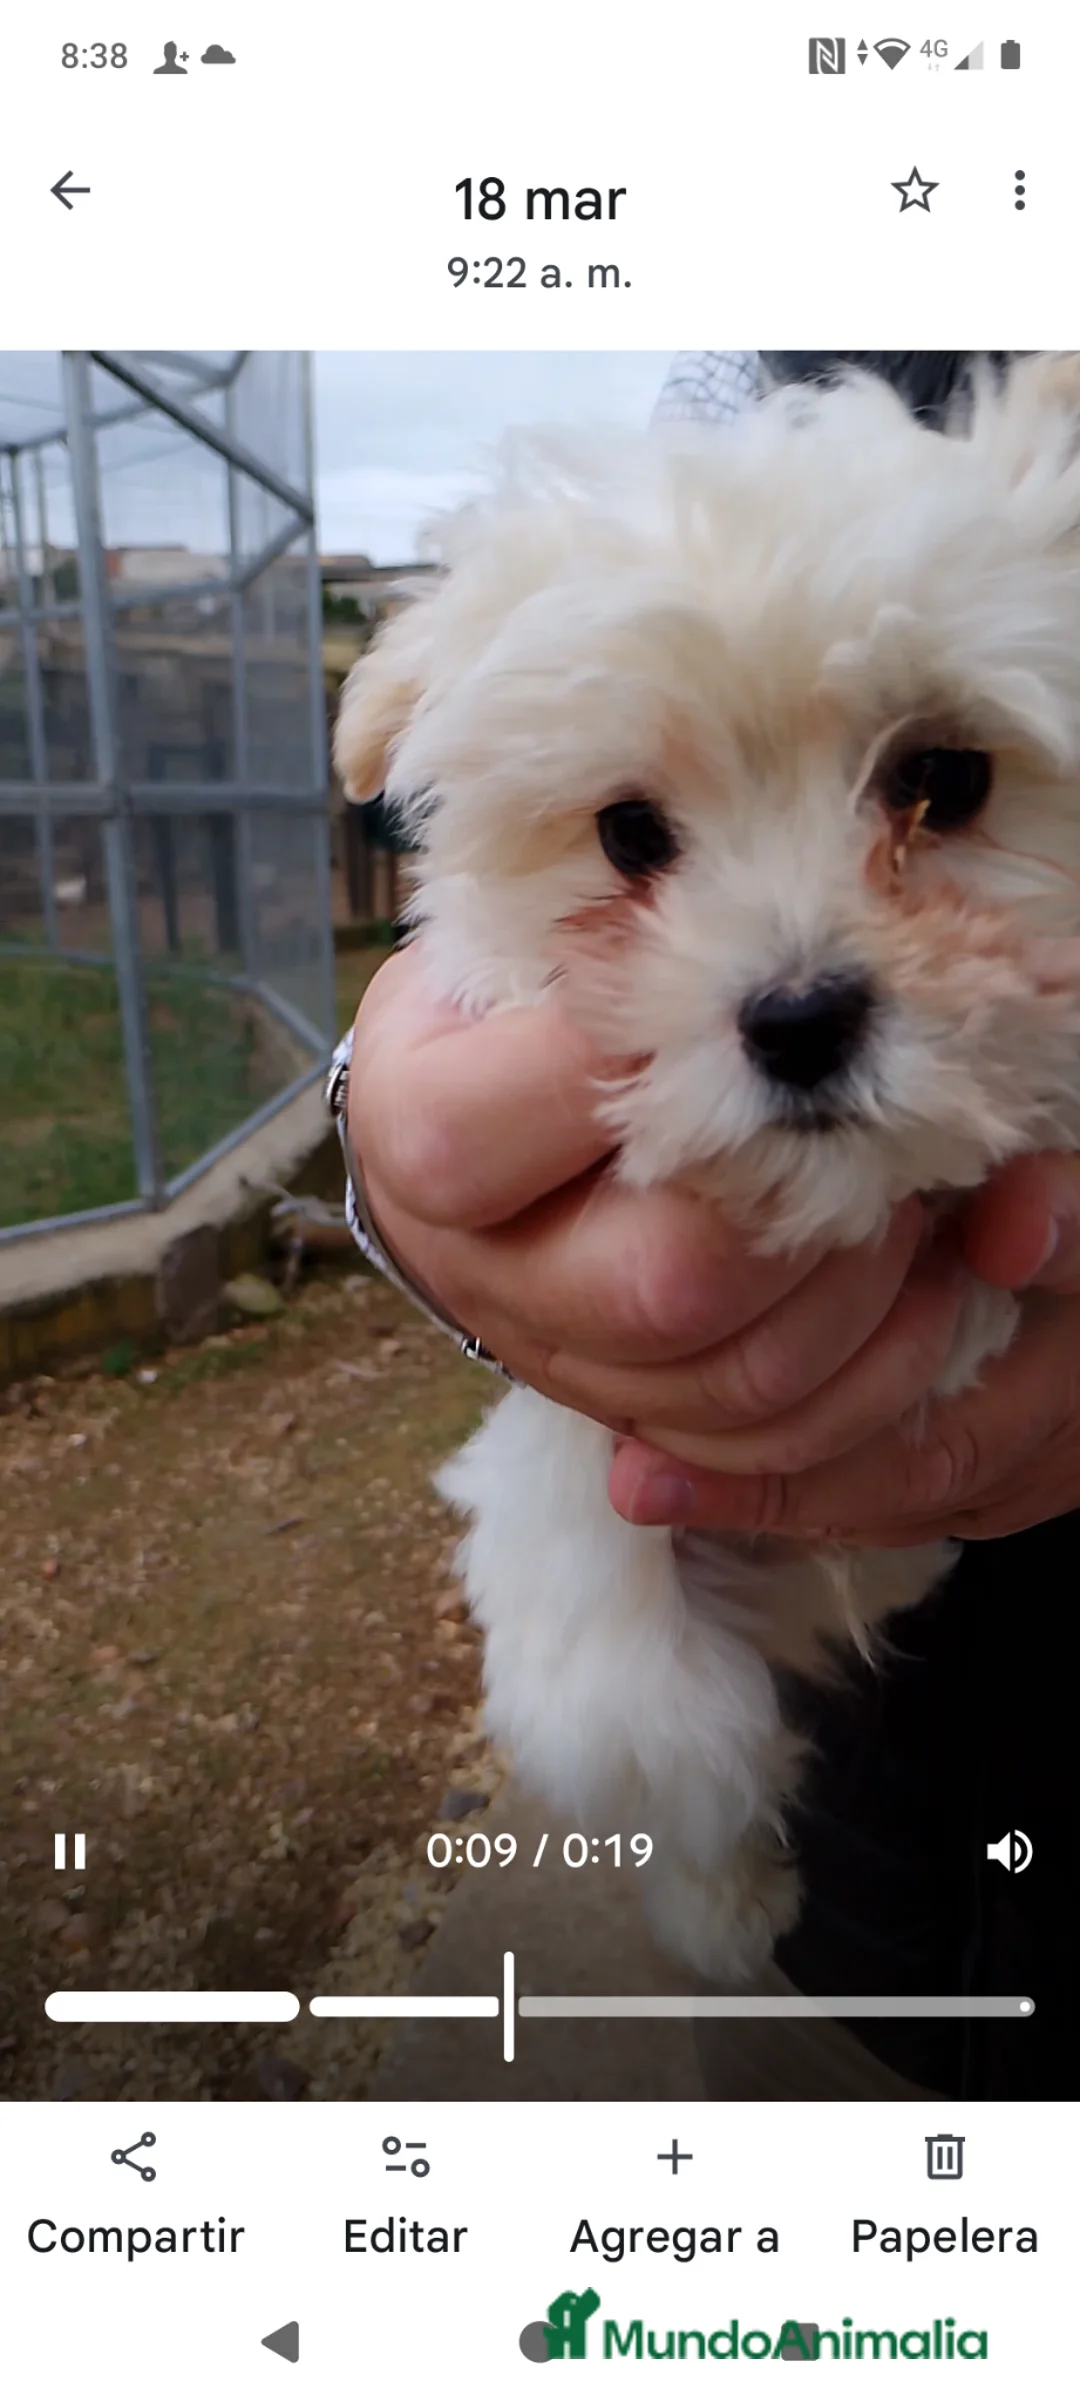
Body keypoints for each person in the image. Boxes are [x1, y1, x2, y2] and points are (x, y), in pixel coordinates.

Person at [332, 354, 1078, 2101]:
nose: (793, 962)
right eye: (639, 834)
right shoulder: (763, 379)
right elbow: (441, 1039)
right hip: (871, 1915)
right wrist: (400, 1178)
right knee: (641, 1739)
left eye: (939, 788)